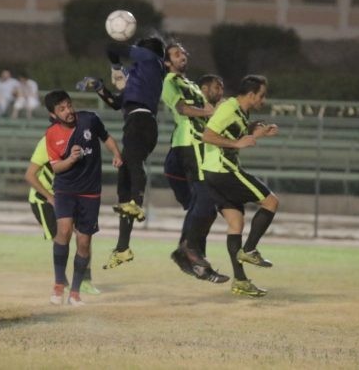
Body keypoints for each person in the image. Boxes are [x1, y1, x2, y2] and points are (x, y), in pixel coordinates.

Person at [76, 37, 166, 270]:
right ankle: (123, 247)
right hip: (136, 122)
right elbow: (117, 103)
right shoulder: (139, 78)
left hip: (141, 121)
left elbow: (111, 47)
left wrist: (116, 64)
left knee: (133, 163)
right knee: (123, 186)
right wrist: (99, 87)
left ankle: (137, 202)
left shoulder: (151, 58)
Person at [200, 74, 280, 297]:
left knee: (236, 223)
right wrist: (236, 143)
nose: (263, 100)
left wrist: (258, 133)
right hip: (223, 171)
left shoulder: (242, 111)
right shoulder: (229, 108)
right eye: (261, 95)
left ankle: (241, 282)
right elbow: (207, 135)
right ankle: (250, 249)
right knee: (271, 202)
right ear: (251, 94)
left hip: (213, 173)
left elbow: (237, 135)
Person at [44, 90, 123, 306]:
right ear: (53, 115)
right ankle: (59, 284)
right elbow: (56, 168)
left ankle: (75, 292)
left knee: (84, 241)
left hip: (90, 191)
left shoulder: (90, 120)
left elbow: (106, 138)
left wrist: (116, 154)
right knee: (64, 230)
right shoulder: (51, 134)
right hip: (65, 189)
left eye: (69, 105)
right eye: (62, 109)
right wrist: (71, 159)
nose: (68, 111)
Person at [160, 42, 228, 283]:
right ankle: (189, 251)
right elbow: (182, 109)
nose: (183, 56)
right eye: (176, 54)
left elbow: (207, 110)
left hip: (200, 146)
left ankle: (193, 257)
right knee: (205, 199)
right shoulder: (170, 81)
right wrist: (209, 112)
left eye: (183, 52)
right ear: (167, 62)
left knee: (205, 205)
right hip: (189, 145)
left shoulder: (190, 84)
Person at [24, 135, 102, 301]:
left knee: (84, 234)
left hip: (69, 195)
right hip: (44, 200)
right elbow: (30, 175)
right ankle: (61, 283)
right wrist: (50, 198)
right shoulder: (47, 142)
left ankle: (84, 280)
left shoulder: (82, 141)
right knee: (62, 238)